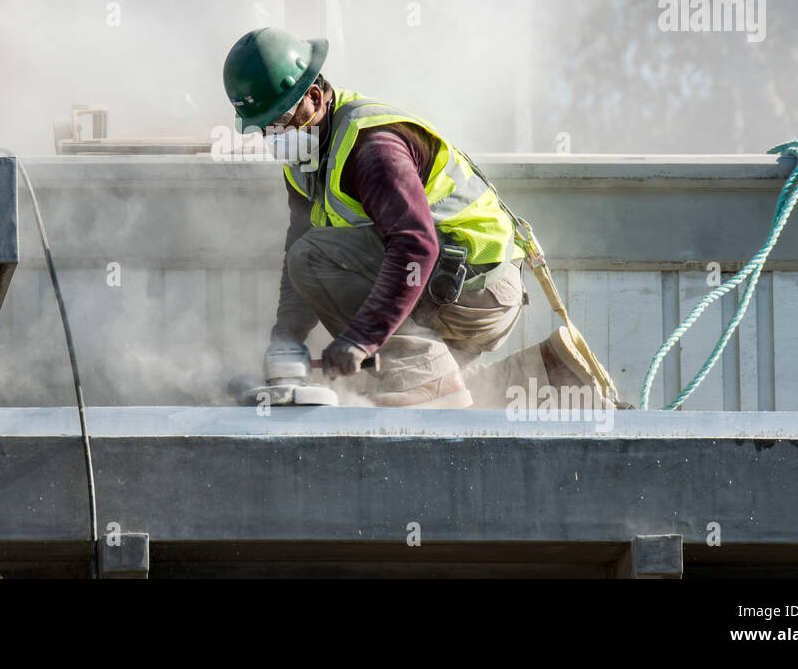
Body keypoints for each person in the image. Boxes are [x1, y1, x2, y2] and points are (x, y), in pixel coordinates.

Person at [223, 26, 599, 408]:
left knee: (331, 283)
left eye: (279, 121)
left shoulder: (371, 146)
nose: (274, 137)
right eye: (264, 129)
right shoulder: (302, 163)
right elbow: (296, 254)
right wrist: (286, 343)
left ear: (315, 97)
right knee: (378, 383)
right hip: (444, 288)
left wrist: (363, 337)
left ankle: (428, 381)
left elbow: (415, 245)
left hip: (475, 286)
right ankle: (550, 378)